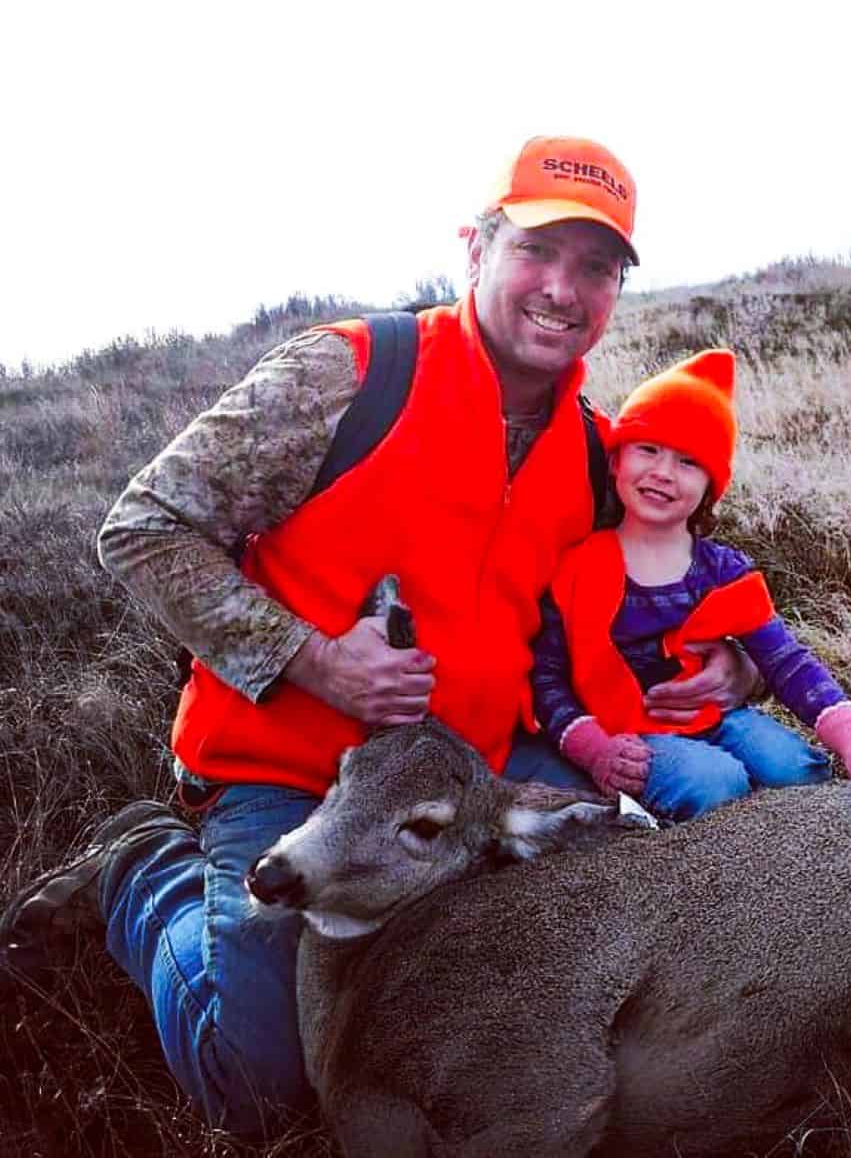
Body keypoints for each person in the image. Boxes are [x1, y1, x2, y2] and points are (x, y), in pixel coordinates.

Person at [0, 137, 761, 1136]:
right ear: (475, 250)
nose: (563, 290)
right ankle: (138, 867)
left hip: (471, 781)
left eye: (597, 268)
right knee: (262, 1082)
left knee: (631, 912)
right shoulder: (348, 375)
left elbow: (625, 598)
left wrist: (732, 664)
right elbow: (142, 528)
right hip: (289, 770)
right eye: (538, 251)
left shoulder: (587, 448)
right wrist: (312, 658)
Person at [532, 348, 851, 820]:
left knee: (794, 769)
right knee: (714, 784)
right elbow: (546, 677)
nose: (662, 472)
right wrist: (593, 749)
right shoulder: (576, 568)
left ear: (711, 486)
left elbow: (784, 660)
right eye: (648, 448)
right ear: (616, 460)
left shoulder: (722, 572)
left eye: (688, 461)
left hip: (719, 717)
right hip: (629, 739)